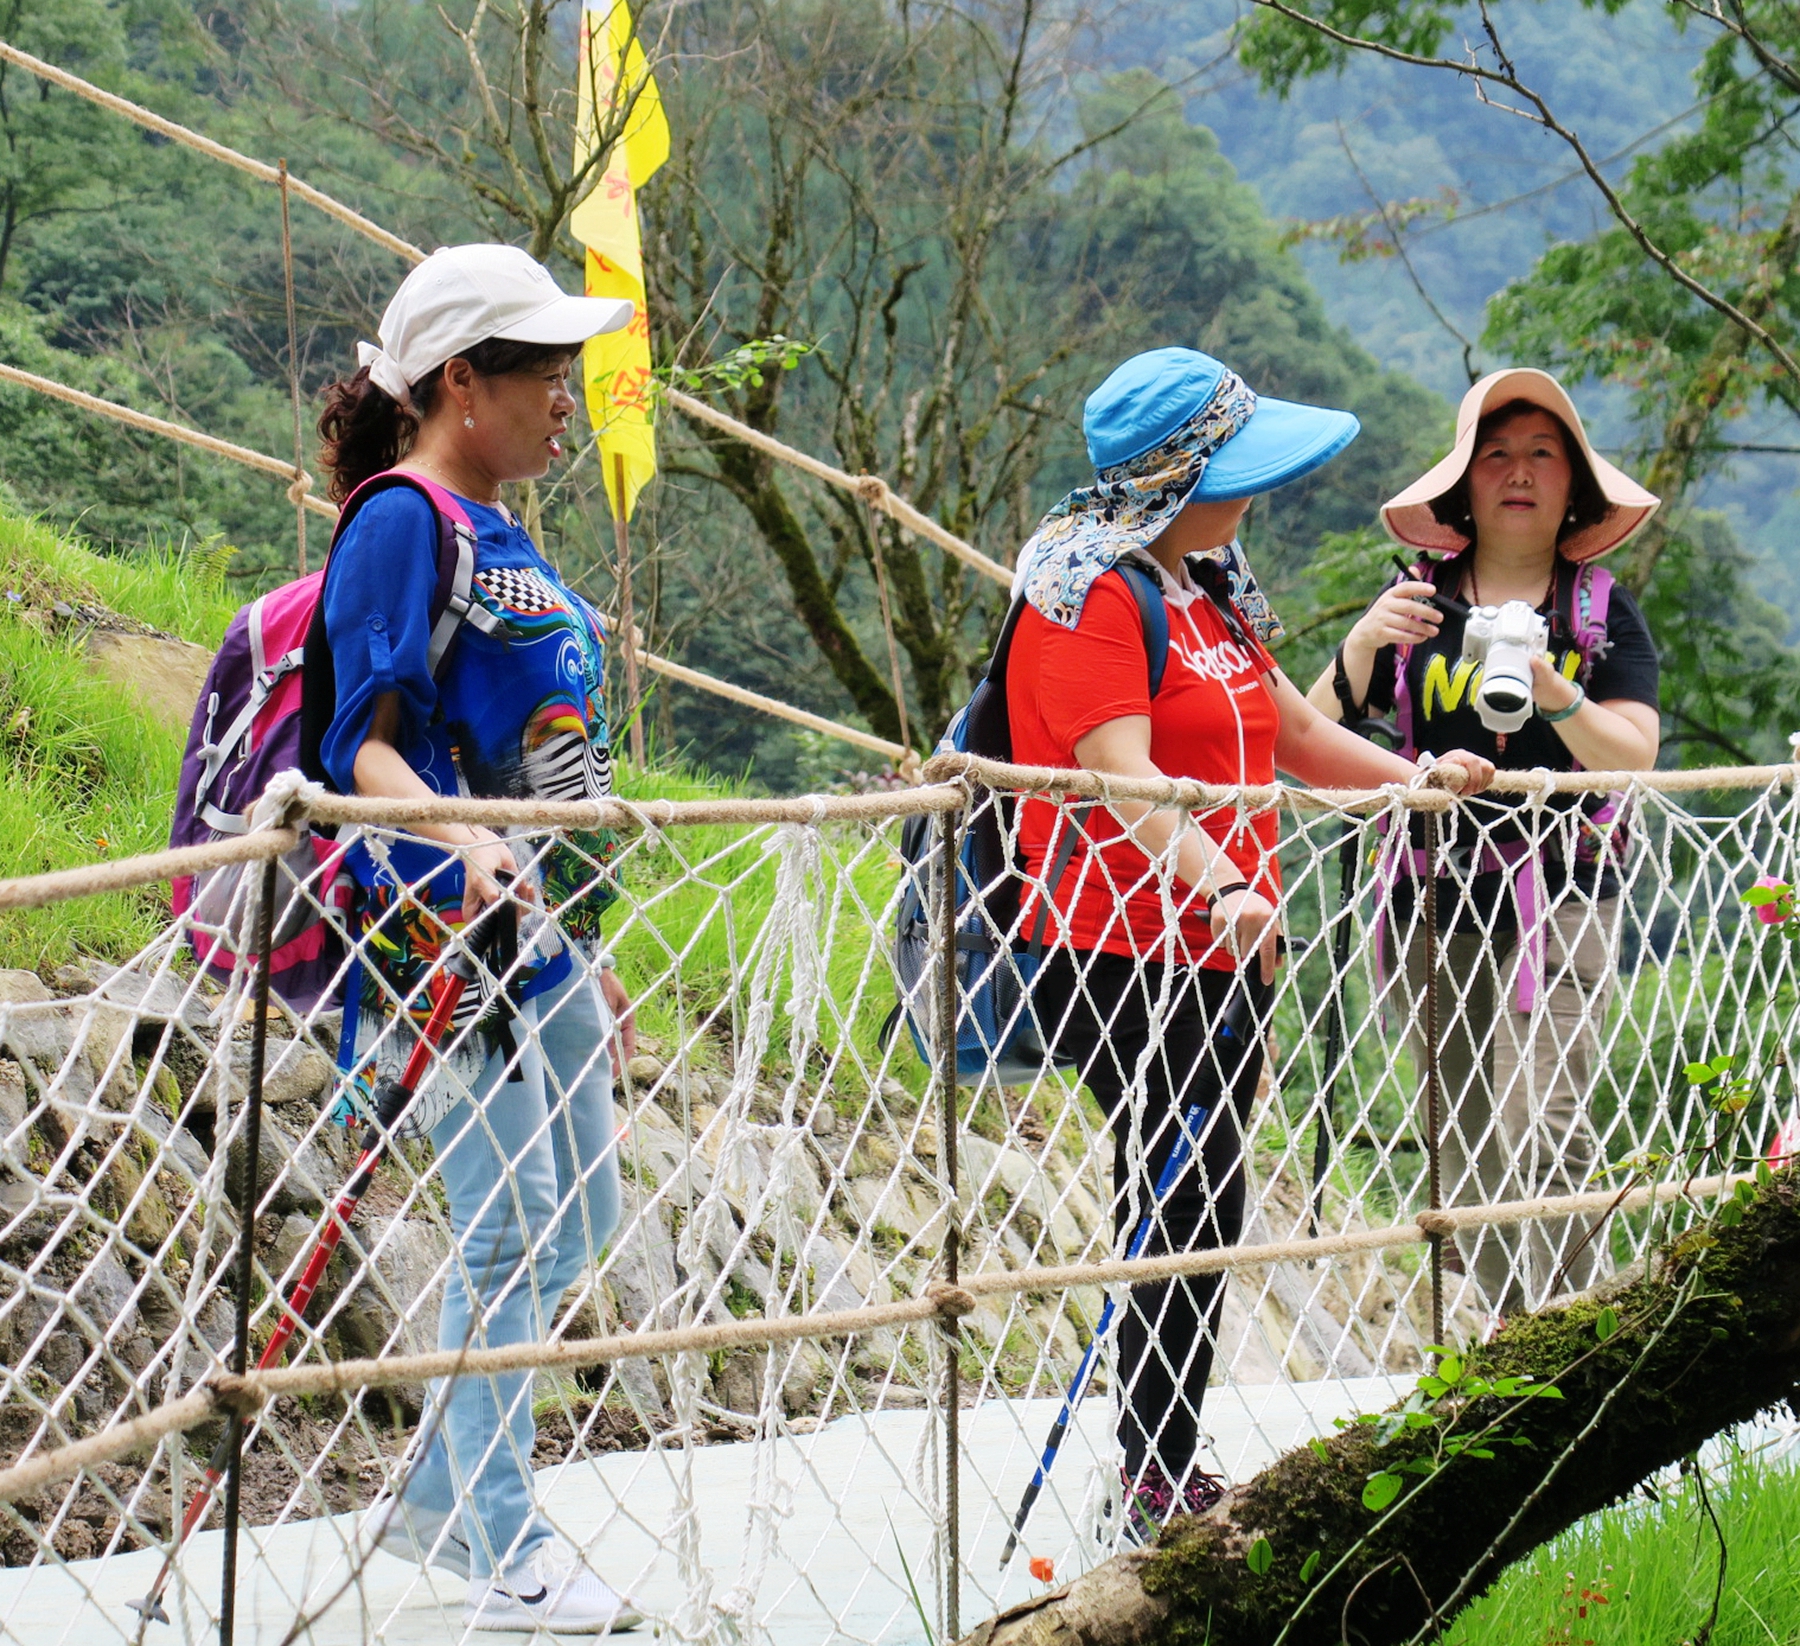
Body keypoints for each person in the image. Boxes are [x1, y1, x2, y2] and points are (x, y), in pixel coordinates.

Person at [1007, 346, 1495, 1535]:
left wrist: (1416, 779)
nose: (1252, 491)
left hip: (1228, 937)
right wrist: (1222, 875)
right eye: (1233, 467)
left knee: (1206, 1193)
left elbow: (1289, 736)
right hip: (1118, 938)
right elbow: (1118, 775)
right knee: (1176, 1192)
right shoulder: (1090, 592)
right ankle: (1153, 1470)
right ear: (1177, 478)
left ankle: (1158, 1454)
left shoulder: (1206, 582)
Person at [313, 244, 641, 1634]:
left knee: (586, 1217)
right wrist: (465, 840)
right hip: (438, 931)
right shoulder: (403, 521)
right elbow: (361, 747)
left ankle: (444, 1497)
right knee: (510, 1224)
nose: (567, 401)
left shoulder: (511, 538)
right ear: (463, 381)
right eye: (545, 376)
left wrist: (586, 936)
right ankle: (498, 1535)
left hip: (539, 932)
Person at [1306, 367, 1661, 1320]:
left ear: (1573, 487)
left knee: (1549, 1128)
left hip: (1568, 890)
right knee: (1461, 1138)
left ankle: (1559, 1342)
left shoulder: (1598, 611)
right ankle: (1503, 1345)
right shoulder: (1416, 604)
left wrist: (1558, 690)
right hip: (1439, 891)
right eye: (1495, 454)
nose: (1518, 473)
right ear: (1463, 484)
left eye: (1542, 454)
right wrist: (1360, 646)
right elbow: (1308, 741)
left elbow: (1632, 758)